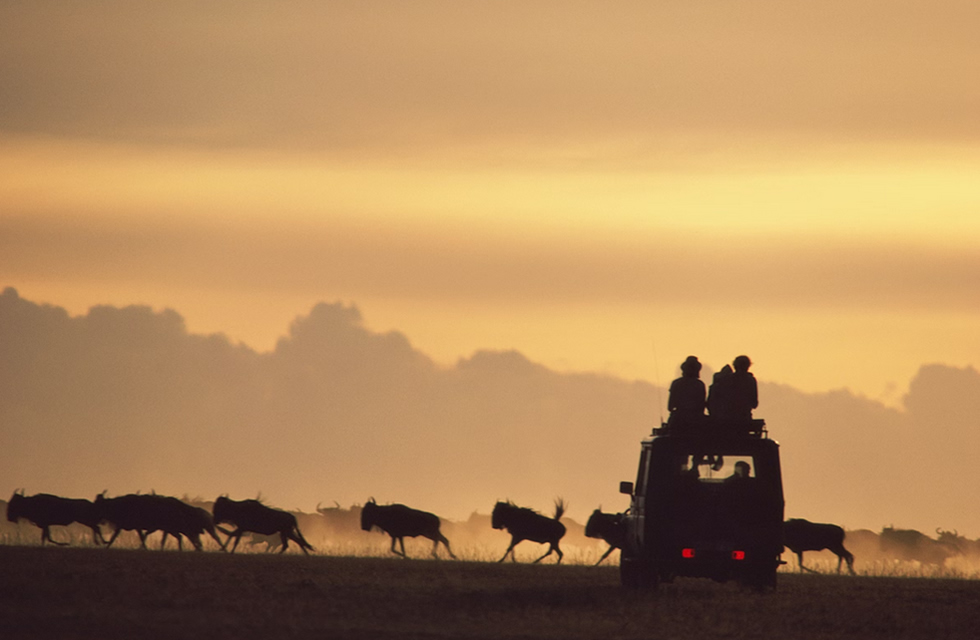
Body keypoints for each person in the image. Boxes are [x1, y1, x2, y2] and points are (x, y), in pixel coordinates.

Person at [667, 356, 706, 431]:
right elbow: (701, 406)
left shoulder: (676, 383)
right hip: (696, 422)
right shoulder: (699, 385)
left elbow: (670, 407)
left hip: (678, 421)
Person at [730, 355, 758, 428]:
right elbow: (754, 403)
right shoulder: (751, 381)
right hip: (745, 419)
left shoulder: (728, 380)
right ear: (748, 367)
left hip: (728, 419)